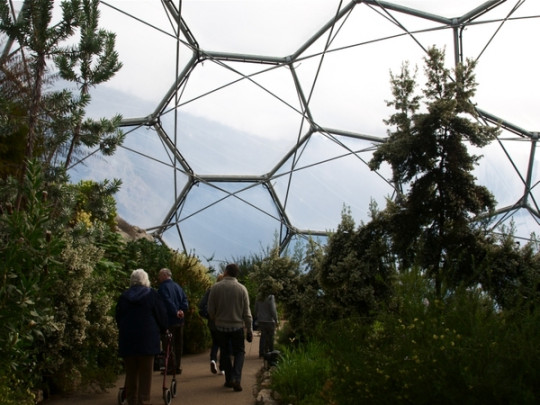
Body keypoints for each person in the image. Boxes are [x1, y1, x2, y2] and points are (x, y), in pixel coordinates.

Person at [116, 268, 167, 405]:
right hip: (147, 340)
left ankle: (132, 400)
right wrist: (163, 330)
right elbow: (161, 316)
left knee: (131, 372)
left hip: (128, 339)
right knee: (146, 373)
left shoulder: (124, 296)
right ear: (146, 280)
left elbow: (118, 317)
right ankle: (144, 400)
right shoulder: (152, 295)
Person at [207, 263, 253, 392]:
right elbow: (247, 313)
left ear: (226, 271)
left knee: (225, 353)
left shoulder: (215, 288)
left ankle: (228, 379)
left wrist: (216, 319)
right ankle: (236, 378)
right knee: (239, 352)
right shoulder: (242, 289)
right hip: (237, 326)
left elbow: (210, 310)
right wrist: (249, 330)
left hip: (220, 327)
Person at [157, 267, 189, 374]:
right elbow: (184, 299)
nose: (159, 278)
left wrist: (175, 311)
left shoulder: (162, 288)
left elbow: (167, 301)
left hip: (169, 320)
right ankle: (178, 366)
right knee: (178, 344)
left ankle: (171, 367)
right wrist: (182, 310)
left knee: (168, 344)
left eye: (160, 275)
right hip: (180, 320)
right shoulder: (177, 286)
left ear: (164, 275)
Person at [198, 273, 225, 375]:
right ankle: (222, 368)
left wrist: (208, 314)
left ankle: (213, 359)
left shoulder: (210, 290)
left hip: (212, 321)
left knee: (215, 342)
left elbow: (201, 304)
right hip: (223, 320)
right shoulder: (225, 291)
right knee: (223, 344)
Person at [254, 293, 278, 358]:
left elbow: (256, 308)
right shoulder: (270, 297)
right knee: (271, 337)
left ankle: (261, 353)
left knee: (263, 336)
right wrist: (276, 319)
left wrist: (256, 316)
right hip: (270, 320)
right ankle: (271, 352)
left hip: (261, 320)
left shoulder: (258, 296)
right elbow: (273, 310)